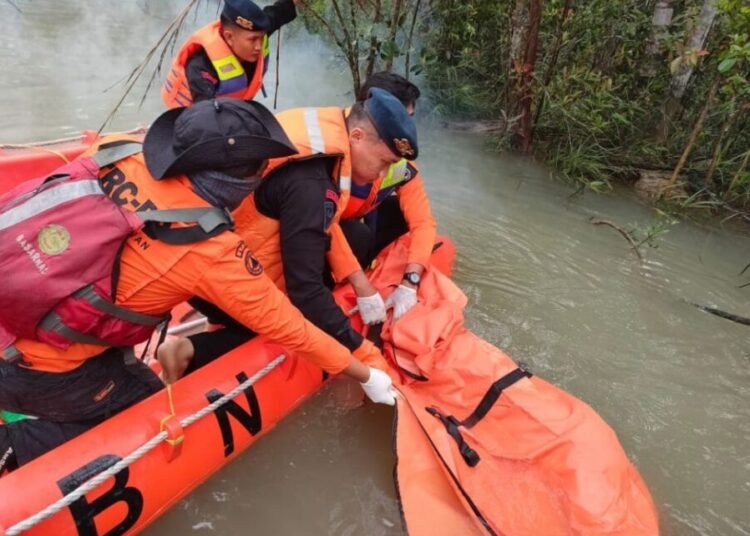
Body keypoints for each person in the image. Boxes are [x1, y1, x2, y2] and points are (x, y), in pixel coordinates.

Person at [0, 99, 396, 474]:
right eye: (259, 170)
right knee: (146, 416)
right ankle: (13, 444)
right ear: (233, 183)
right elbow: (291, 327)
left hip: (18, 304)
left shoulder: (117, 150)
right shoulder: (206, 248)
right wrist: (366, 372)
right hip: (36, 363)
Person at [157, 89, 418, 383]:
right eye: (383, 162)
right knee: (291, 321)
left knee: (351, 238)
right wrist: (365, 357)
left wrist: (358, 282)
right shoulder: (311, 182)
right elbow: (304, 291)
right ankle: (188, 350)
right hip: (215, 273)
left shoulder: (319, 136)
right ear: (356, 136)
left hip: (201, 249)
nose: (382, 174)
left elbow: (324, 224)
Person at [334, 72, 437, 321]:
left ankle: (370, 271)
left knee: (396, 214)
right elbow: (319, 222)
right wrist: (359, 283)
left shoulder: (400, 165)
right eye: (403, 118)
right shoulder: (332, 149)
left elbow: (423, 223)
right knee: (357, 235)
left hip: (348, 223)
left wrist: (410, 281)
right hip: (315, 230)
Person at [162, 0, 298, 108]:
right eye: (252, 40)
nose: (259, 46)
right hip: (188, 116)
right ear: (229, 37)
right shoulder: (201, 67)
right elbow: (204, 117)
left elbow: (277, 13)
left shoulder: (256, 31)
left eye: (262, 38)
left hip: (231, 106)